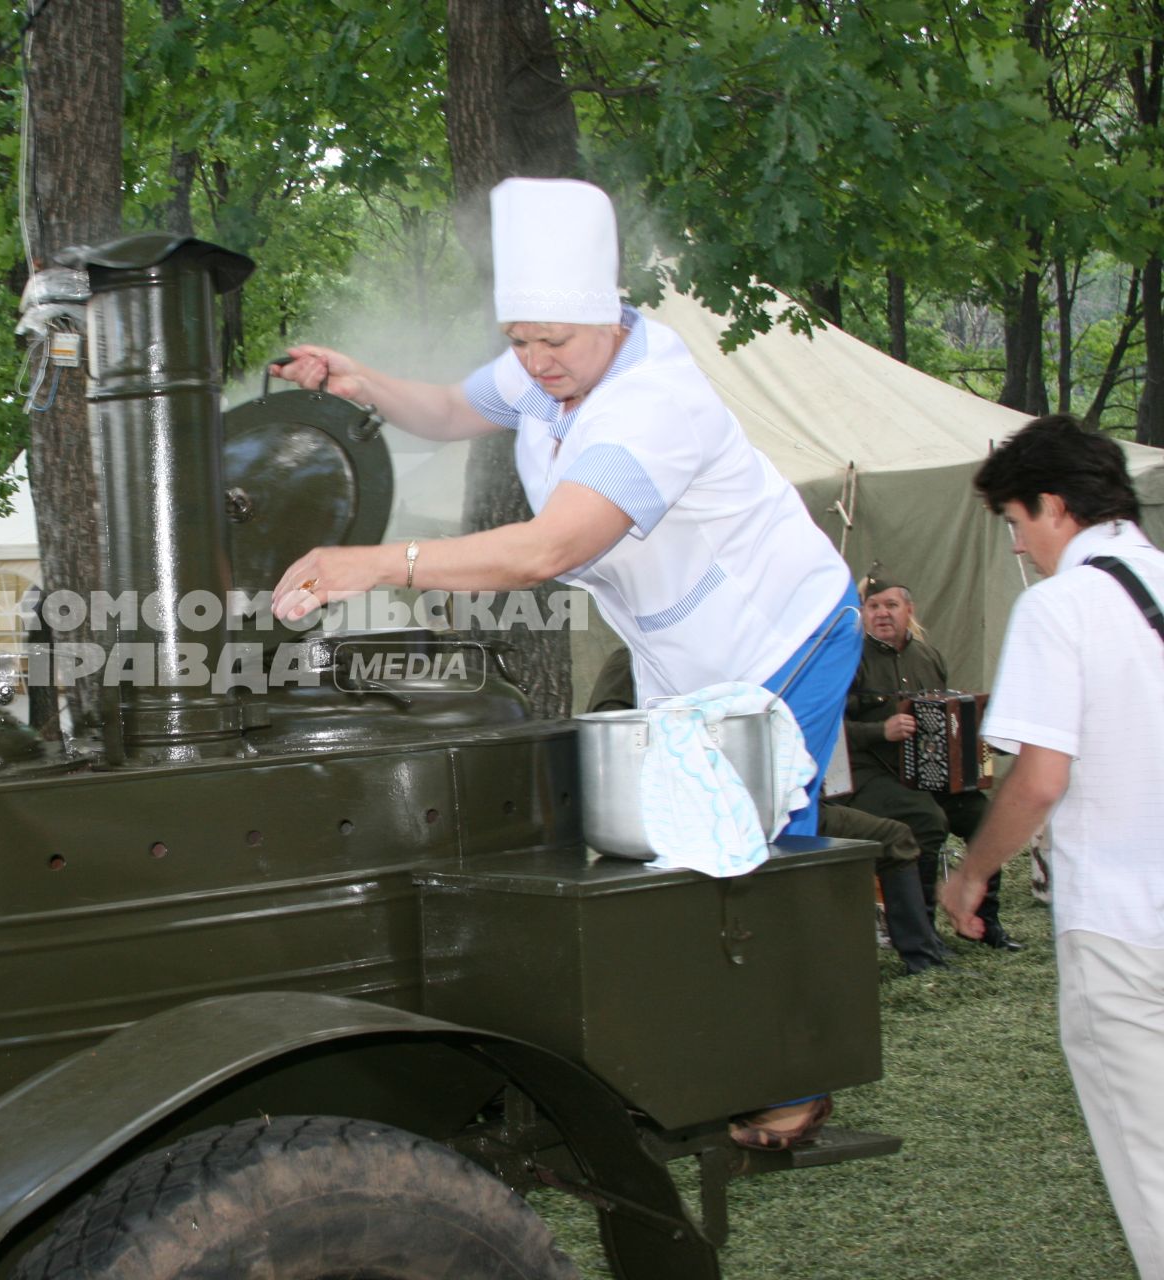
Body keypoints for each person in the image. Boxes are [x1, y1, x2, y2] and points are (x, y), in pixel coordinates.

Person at [270, 178, 857, 1148]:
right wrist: (358, 380)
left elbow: (548, 549)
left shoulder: (653, 402)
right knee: (687, 842)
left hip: (775, 628)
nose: (535, 363)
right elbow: (457, 409)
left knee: (759, 844)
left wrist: (371, 563)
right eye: (521, 339)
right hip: (680, 644)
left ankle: (794, 1076)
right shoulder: (543, 362)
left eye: (556, 342)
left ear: (609, 313)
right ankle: (713, 1044)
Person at [945, 414, 1164, 1278]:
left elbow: (1038, 780)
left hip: (1121, 924)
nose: (1019, 547)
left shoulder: (1060, 607)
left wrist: (969, 874)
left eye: (1014, 525)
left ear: (1053, 506)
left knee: (1151, 1168)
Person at [591, 647, 950, 976]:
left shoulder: (736, 656)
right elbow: (609, 729)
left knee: (895, 838)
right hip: (686, 816)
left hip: (772, 806)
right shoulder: (635, 659)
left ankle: (923, 957)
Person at [842, 576, 1020, 951]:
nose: (882, 614)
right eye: (873, 607)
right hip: (867, 773)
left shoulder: (927, 656)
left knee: (983, 818)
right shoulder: (848, 659)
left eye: (891, 605)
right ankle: (923, 934)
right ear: (863, 613)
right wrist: (880, 730)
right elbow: (829, 728)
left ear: (909, 610)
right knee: (926, 820)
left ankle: (986, 924)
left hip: (924, 773)